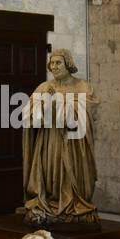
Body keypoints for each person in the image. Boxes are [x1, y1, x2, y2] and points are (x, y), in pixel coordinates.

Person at [20, 48, 99, 227]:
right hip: (50, 140)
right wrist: (43, 104)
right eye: (51, 63)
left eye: (58, 63)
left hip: (74, 143)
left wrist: (57, 102)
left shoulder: (83, 86)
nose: (54, 67)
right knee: (50, 173)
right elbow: (28, 115)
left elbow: (88, 111)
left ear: (68, 64)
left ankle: (73, 204)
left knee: (73, 174)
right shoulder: (44, 87)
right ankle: (50, 202)